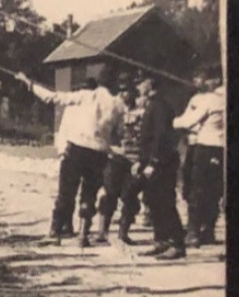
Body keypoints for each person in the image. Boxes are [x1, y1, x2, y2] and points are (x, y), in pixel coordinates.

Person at [28, 68, 124, 246]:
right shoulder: (118, 105)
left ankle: (55, 233)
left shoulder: (86, 96)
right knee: (89, 194)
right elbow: (118, 133)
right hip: (99, 152)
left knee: (66, 192)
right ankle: (83, 235)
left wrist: (31, 85)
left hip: (77, 149)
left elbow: (52, 97)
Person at [133, 75, 186, 259]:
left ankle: (177, 244)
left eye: (140, 83)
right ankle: (161, 241)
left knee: (165, 202)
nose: (138, 87)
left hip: (162, 163)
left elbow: (161, 136)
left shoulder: (160, 106)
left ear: (150, 85)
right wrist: (141, 161)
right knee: (153, 201)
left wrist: (154, 162)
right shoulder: (152, 105)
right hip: (151, 162)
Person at [174, 66, 225, 247]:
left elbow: (188, 121)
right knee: (213, 191)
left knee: (197, 189)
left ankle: (193, 233)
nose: (200, 81)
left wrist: (167, 121)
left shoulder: (212, 98)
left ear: (216, 80)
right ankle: (208, 230)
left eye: (205, 78)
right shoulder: (203, 98)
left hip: (206, 147)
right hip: (218, 149)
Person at [96, 82, 144, 245]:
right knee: (108, 194)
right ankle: (102, 232)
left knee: (130, 196)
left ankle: (123, 233)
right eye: (121, 90)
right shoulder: (114, 111)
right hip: (116, 157)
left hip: (136, 159)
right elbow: (101, 131)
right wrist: (109, 148)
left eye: (127, 90)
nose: (124, 94)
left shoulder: (143, 111)